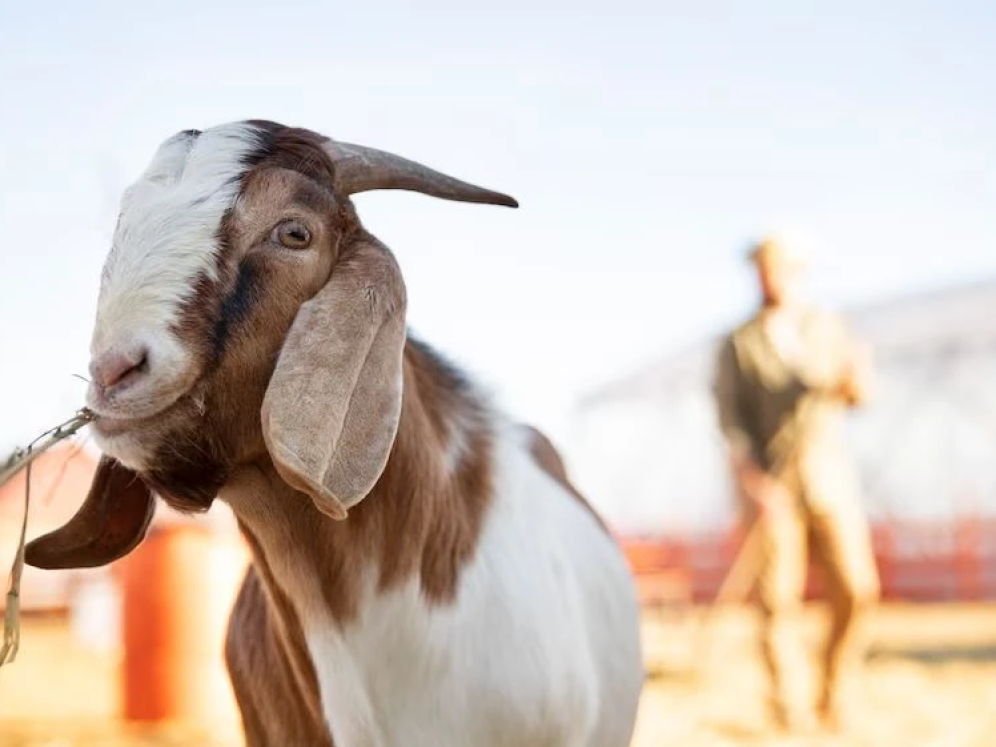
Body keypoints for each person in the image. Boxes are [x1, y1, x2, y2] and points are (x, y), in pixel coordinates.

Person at [711, 235, 880, 733]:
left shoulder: (829, 329)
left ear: (798, 273)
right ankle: (789, 708)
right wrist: (753, 483)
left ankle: (835, 690)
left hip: (828, 477)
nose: (772, 277)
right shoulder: (738, 344)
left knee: (857, 588)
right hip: (770, 486)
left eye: (781, 268)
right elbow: (730, 422)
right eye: (764, 268)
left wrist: (856, 380)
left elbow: (860, 395)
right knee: (777, 601)